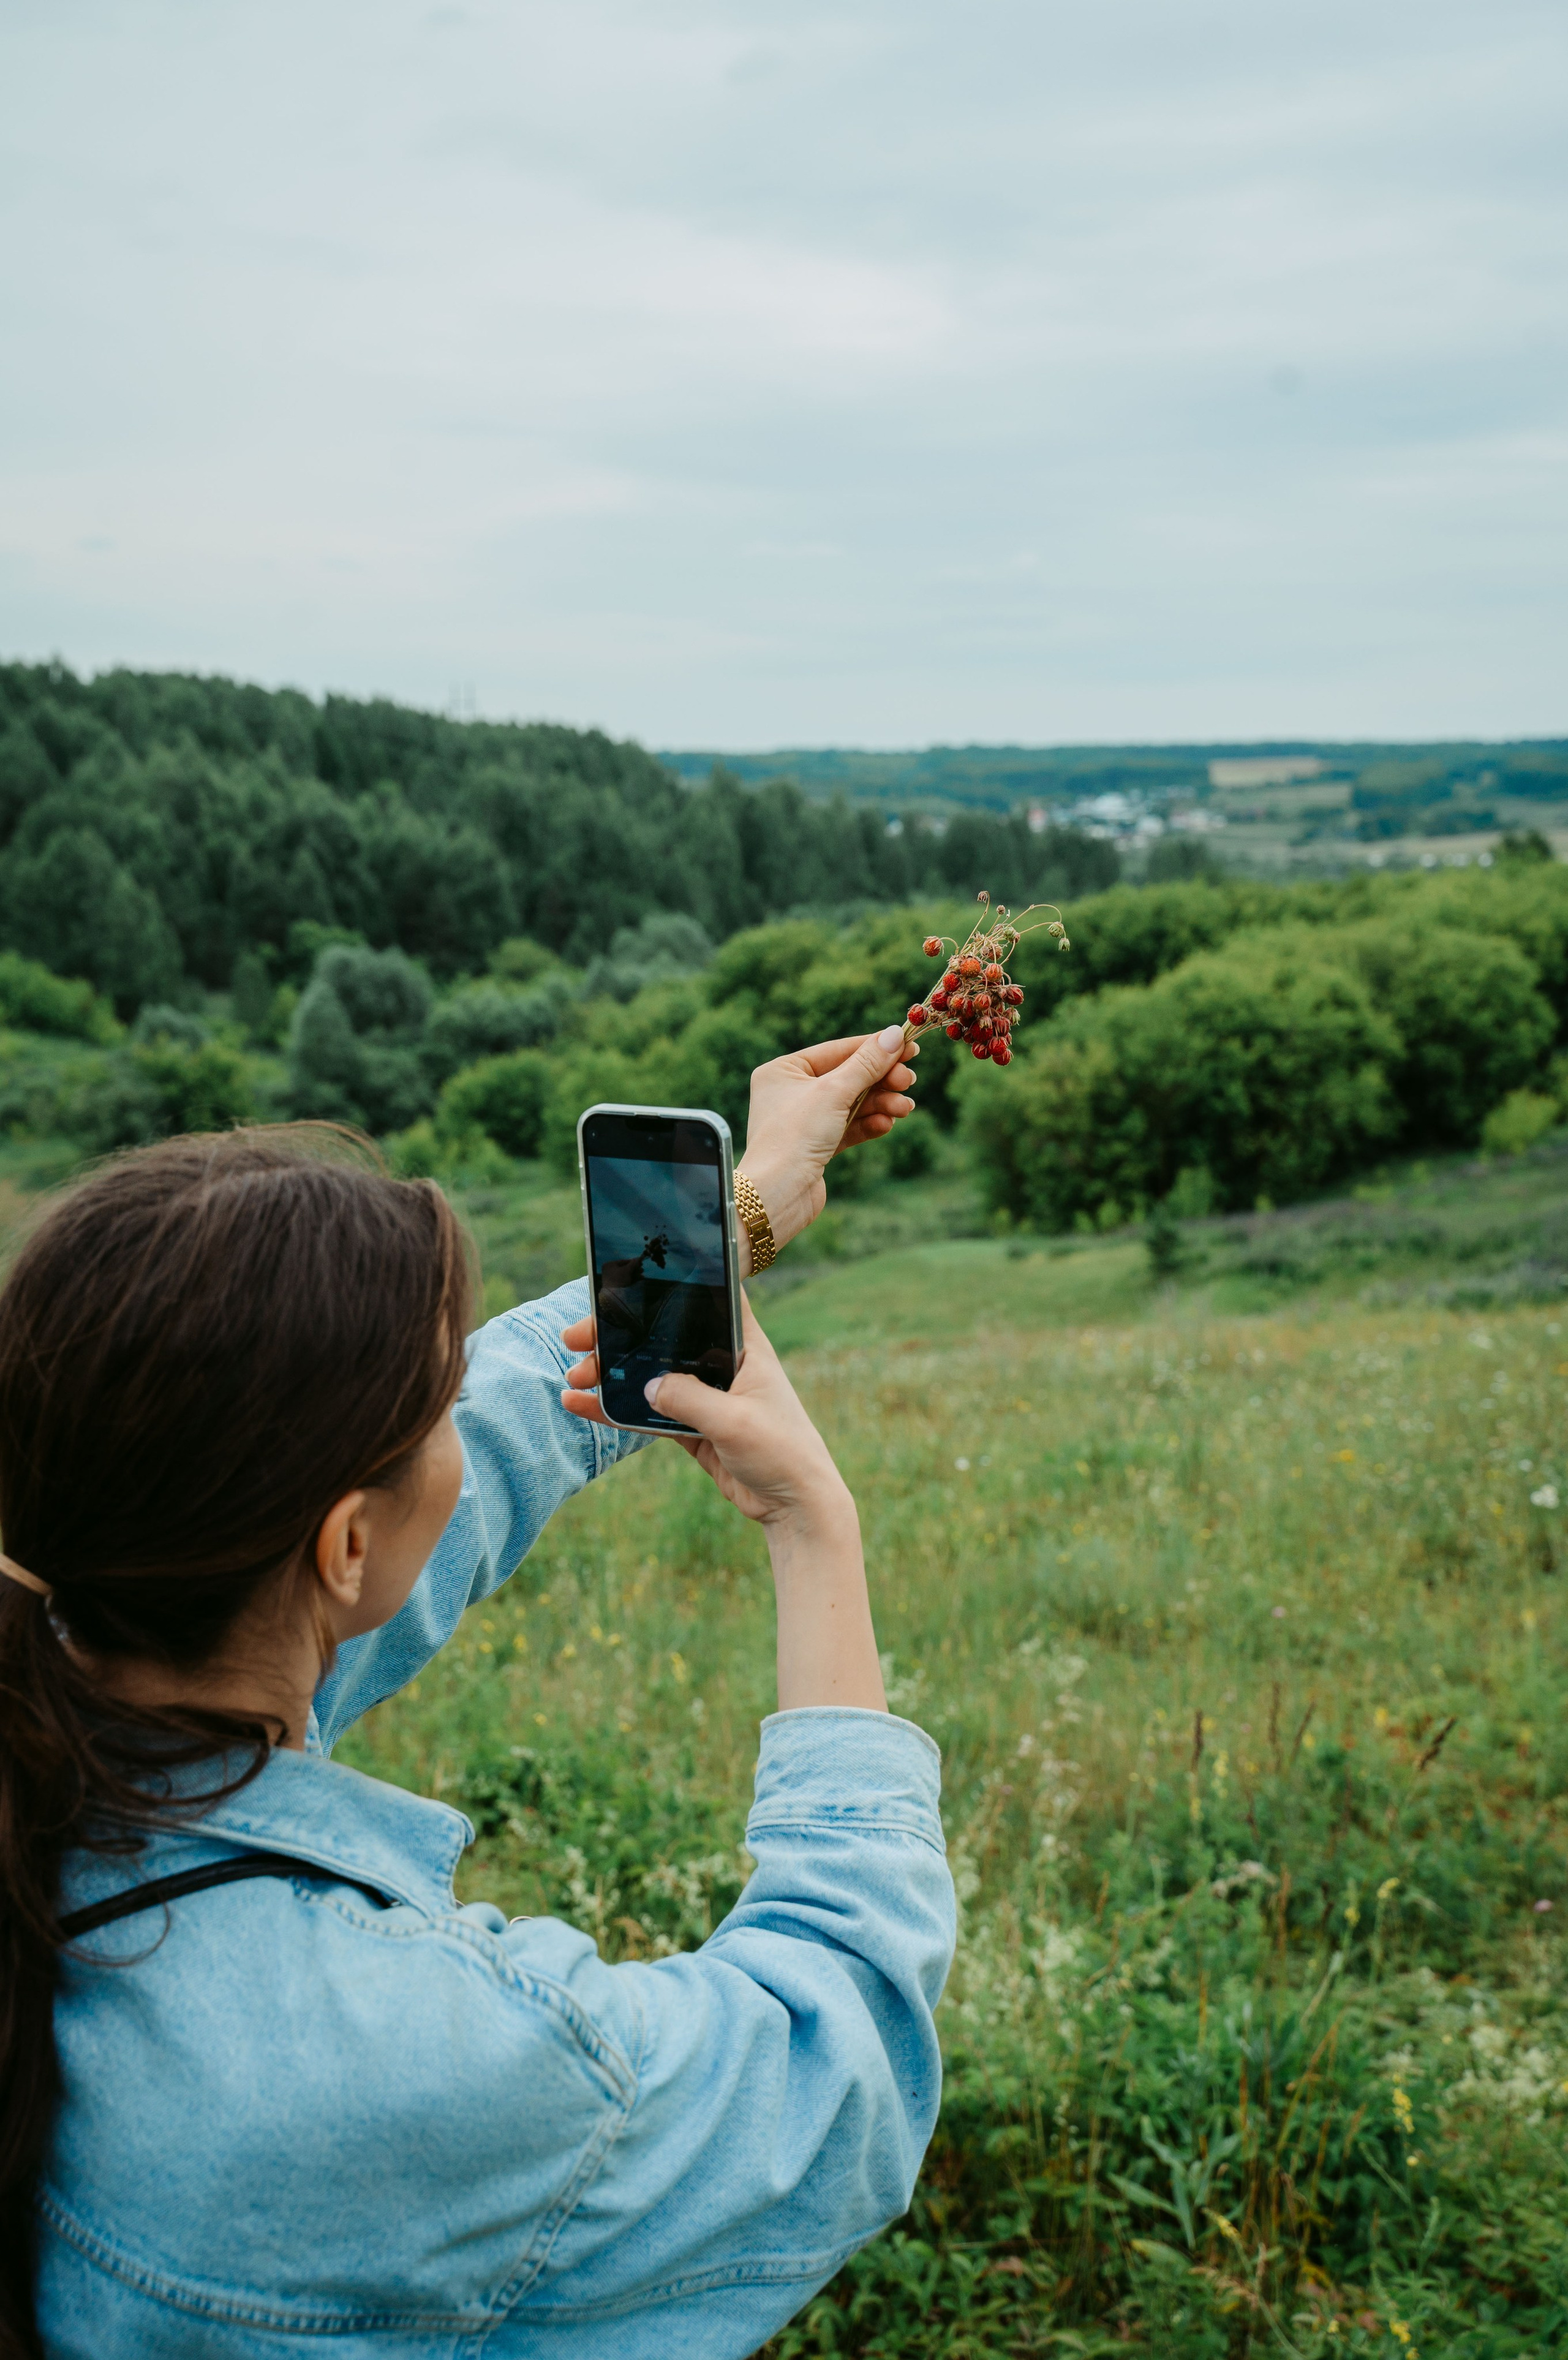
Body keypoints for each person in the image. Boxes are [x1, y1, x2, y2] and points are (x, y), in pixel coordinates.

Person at [0, 1027, 956, 2360]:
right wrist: (814, 1529)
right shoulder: (402, 2066)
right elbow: (830, 2069)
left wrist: (732, 1218)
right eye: (429, 1398)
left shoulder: (78, 1659)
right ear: (342, 1549)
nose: (466, 1407)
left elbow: (482, 1433)